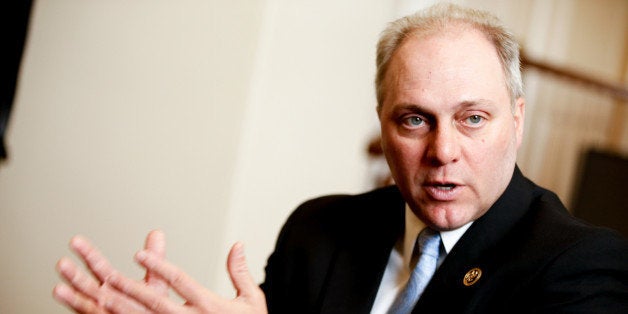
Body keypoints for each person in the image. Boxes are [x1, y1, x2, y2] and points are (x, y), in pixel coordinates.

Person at [53, 3, 628, 313]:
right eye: (414, 119)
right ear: (383, 122)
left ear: (518, 121)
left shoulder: (583, 266)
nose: (443, 151)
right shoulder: (319, 229)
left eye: (472, 118)